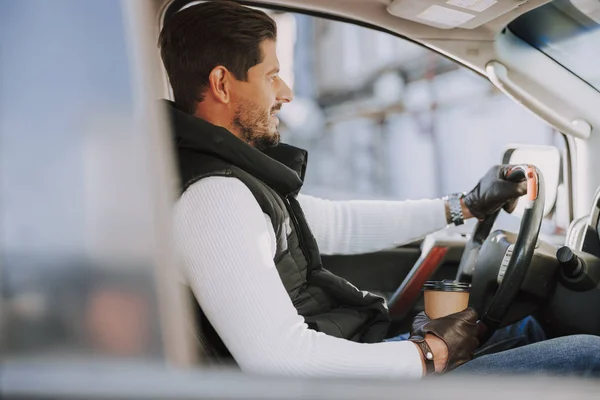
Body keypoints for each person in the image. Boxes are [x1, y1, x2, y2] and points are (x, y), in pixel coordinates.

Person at [161, 1, 600, 378]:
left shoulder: (234, 181)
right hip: (352, 389)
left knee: (532, 329)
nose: (287, 92)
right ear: (221, 84)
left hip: (358, 358)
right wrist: (428, 355)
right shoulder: (213, 199)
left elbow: (338, 223)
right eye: (271, 75)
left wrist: (462, 206)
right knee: (588, 359)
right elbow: (281, 360)